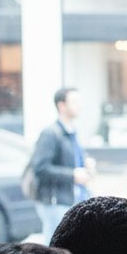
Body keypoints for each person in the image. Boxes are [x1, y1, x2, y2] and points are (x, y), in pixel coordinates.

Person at [30, 87, 95, 243]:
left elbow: (74, 159)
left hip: (75, 198)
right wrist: (72, 175)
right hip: (56, 201)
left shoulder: (72, 132)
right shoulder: (50, 133)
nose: (79, 106)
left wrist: (87, 161)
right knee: (56, 246)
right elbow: (40, 168)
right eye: (74, 102)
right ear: (61, 105)